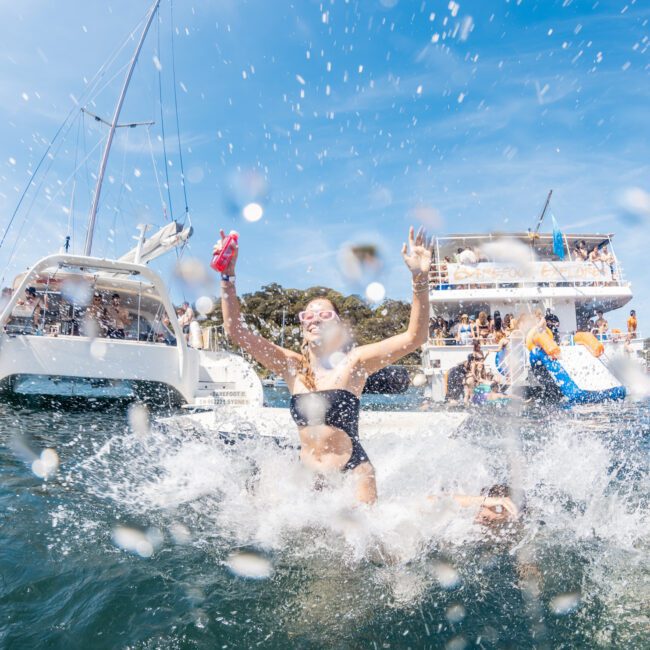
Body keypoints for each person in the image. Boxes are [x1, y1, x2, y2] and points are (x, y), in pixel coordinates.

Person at [215, 226, 432, 505]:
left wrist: (419, 277)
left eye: (324, 314)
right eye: (308, 314)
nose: (314, 319)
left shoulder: (355, 363)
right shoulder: (291, 365)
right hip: (306, 476)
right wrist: (226, 277)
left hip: (352, 473)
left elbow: (414, 337)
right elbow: (237, 333)